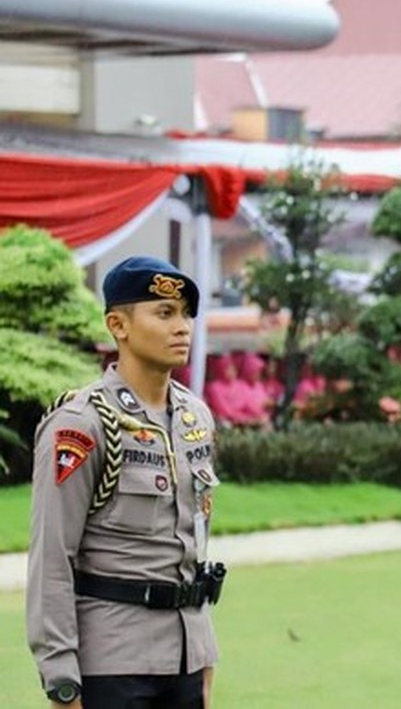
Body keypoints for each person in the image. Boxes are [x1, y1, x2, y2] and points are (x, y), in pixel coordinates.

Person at [27, 256, 224, 708]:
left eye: (186, 314)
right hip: (114, 663)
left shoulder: (196, 417)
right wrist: (60, 678)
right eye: (164, 313)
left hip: (185, 662)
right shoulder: (81, 424)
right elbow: (52, 556)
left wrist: (204, 655)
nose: (183, 328)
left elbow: (194, 549)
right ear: (119, 325)